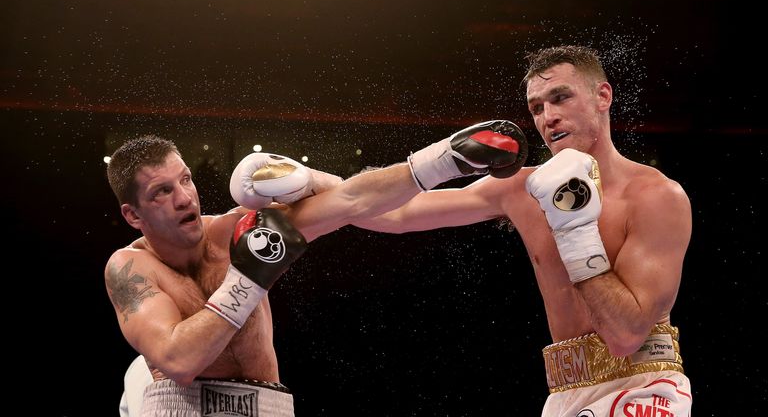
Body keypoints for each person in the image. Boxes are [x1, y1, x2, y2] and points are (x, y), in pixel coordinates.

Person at [354, 46, 693, 416]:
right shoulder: (520, 189)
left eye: (560, 97)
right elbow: (396, 214)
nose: (549, 117)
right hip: (564, 394)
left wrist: (574, 231)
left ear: (602, 96)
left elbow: (625, 335)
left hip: (643, 390)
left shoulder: (655, 196)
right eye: (536, 108)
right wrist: (310, 184)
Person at [105, 122, 527, 417]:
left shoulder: (237, 230)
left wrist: (444, 160)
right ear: (132, 214)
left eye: (185, 180)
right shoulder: (131, 268)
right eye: (162, 191)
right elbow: (179, 359)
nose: (184, 198)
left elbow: (350, 202)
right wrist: (249, 278)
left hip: (266, 405)